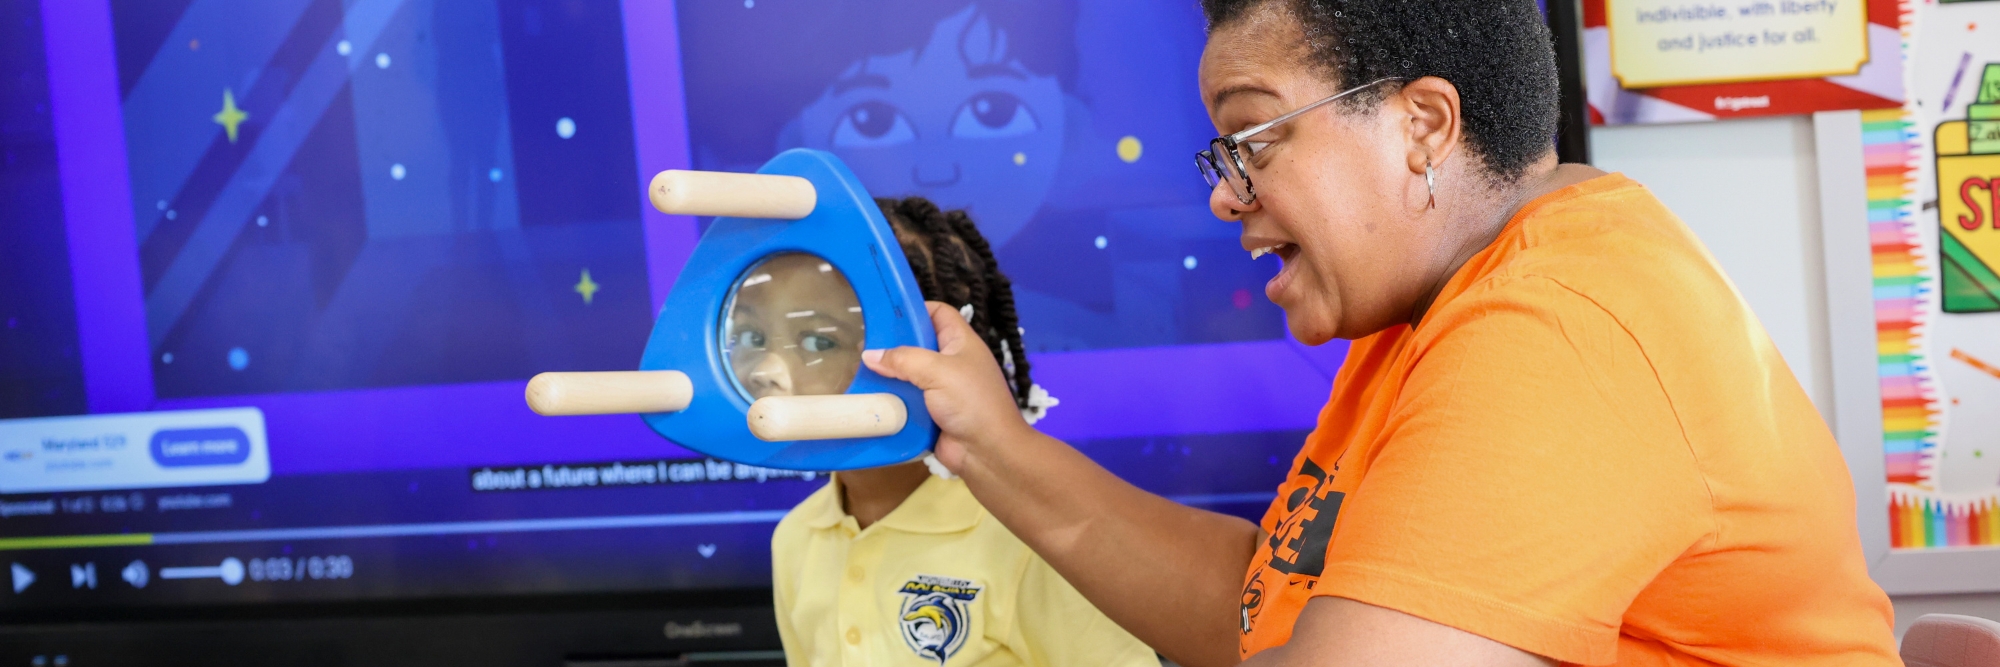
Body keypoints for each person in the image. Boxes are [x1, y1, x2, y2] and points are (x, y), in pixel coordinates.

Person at [859, 1, 1903, 666]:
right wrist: (987, 440)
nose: (1226, 198)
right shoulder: (1442, 301)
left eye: (1252, 137)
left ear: (1421, 125)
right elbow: (1263, 604)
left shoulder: (1557, 331)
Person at [767, 196, 1144, 667]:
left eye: (820, 341)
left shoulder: (1035, 538)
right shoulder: (796, 539)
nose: (769, 370)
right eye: (754, 337)